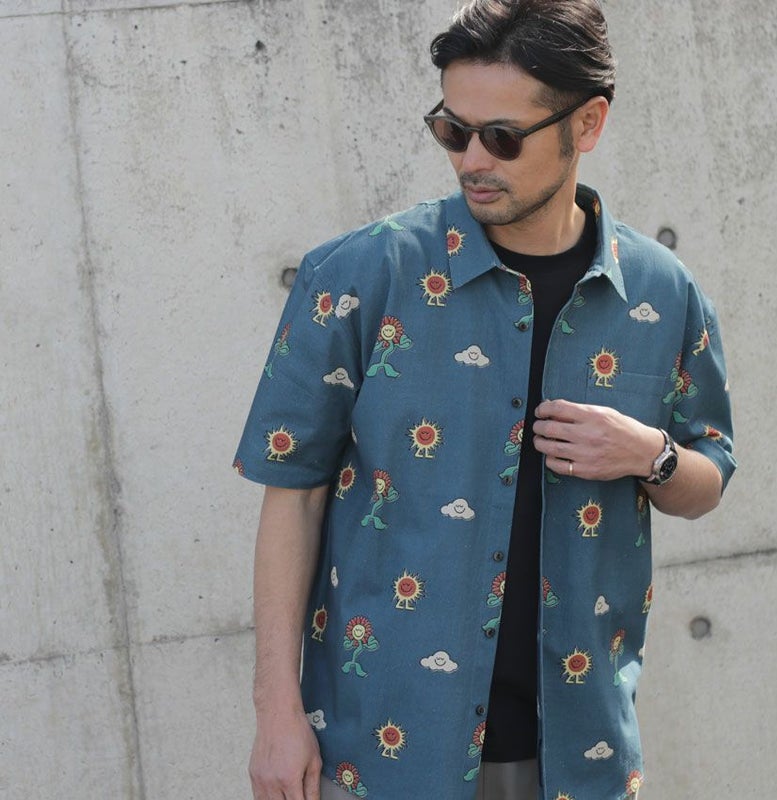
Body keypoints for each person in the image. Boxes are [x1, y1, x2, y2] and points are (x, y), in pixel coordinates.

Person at [233, 1, 736, 798]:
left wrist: (651, 455)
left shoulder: (660, 292)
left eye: (502, 136)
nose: (471, 159)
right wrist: (275, 711)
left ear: (587, 123)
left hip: (578, 753)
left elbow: (708, 477)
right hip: (383, 748)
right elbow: (291, 494)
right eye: (452, 130)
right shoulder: (361, 276)